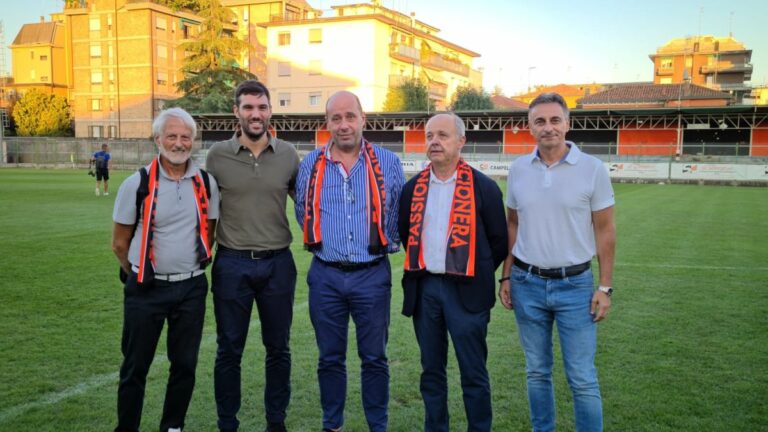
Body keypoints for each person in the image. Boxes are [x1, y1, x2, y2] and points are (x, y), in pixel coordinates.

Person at [499, 92, 616, 432]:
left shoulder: (592, 169)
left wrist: (605, 287)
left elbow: (605, 231)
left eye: (554, 120)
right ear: (530, 127)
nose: (548, 127)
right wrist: (506, 277)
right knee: (537, 371)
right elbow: (513, 224)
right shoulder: (519, 169)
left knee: (581, 377)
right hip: (526, 283)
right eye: (540, 121)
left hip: (575, 286)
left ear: (567, 123)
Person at [295, 91, 405, 432]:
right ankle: (333, 425)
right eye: (336, 118)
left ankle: (378, 426)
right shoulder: (310, 163)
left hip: (371, 275)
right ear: (327, 123)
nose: (344, 125)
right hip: (325, 275)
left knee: (374, 358)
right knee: (330, 358)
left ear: (363, 118)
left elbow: (397, 213)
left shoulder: (387, 162)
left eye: (350, 116)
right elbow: (303, 211)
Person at [111, 107, 220, 432]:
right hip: (146, 289)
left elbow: (209, 231)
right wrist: (139, 275)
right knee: (135, 367)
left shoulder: (205, 182)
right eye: (171, 136)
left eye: (185, 136)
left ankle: (173, 427)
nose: (178, 142)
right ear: (158, 139)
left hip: (191, 288)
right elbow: (119, 243)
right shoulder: (137, 183)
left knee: (185, 365)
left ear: (193, 141)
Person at [398, 113, 508, 432]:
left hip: (467, 292)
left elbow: (499, 240)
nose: (434, 141)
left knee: (473, 372)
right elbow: (407, 234)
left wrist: (473, 269)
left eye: (443, 135)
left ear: (461, 141)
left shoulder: (483, 187)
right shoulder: (413, 188)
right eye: (430, 135)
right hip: (426, 290)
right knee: (431, 371)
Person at [206, 80, 300, 432]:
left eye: (261, 107)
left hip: (278, 264)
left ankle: (276, 422)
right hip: (232, 264)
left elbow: (305, 204)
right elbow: (202, 206)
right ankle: (227, 423)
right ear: (237, 112)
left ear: (270, 110)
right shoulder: (217, 156)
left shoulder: (289, 155)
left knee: (279, 349)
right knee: (229, 350)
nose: (255, 114)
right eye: (248, 107)